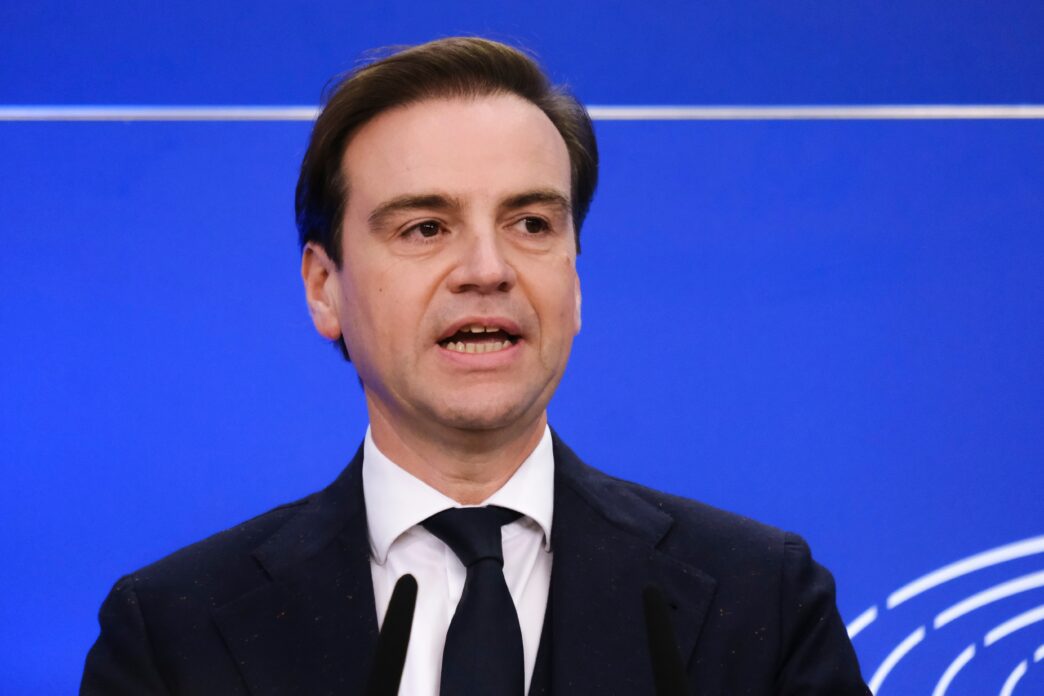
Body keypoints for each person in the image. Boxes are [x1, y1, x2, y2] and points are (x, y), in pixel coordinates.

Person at [81, 37, 870, 695]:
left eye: (531, 222)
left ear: (575, 276)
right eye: (426, 228)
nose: (487, 269)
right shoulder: (174, 635)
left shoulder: (760, 600)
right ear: (325, 288)